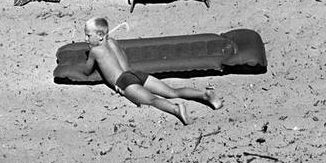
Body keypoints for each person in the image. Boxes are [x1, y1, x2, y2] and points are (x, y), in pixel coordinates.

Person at [80, 16, 225, 125]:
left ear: (100, 36)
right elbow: (122, 59)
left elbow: (86, 71)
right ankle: (204, 95)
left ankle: (176, 109)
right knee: (172, 91)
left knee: (152, 100)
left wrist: (88, 59)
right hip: (135, 73)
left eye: (88, 35)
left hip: (124, 81)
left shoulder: (96, 51)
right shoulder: (113, 42)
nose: (85, 39)